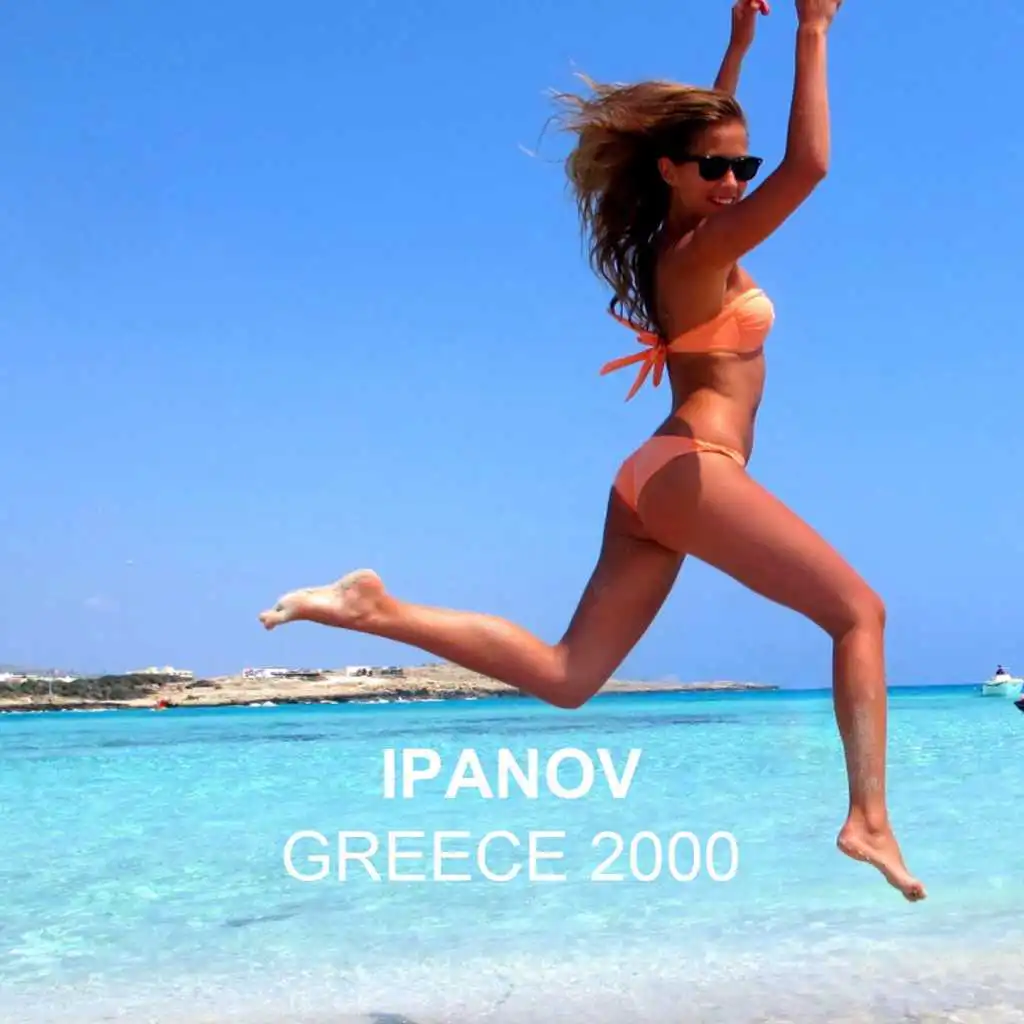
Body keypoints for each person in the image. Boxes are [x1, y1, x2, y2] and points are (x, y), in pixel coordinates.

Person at [259, 0, 926, 902]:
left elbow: (707, 143)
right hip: (693, 467)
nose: (734, 180)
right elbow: (810, 166)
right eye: (717, 167)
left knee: (569, 676)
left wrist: (738, 48)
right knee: (859, 615)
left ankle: (373, 609)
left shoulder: (680, 237)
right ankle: (868, 819)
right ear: (671, 172)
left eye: (743, 166)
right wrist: (814, 30)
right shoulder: (696, 251)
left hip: (656, 477)